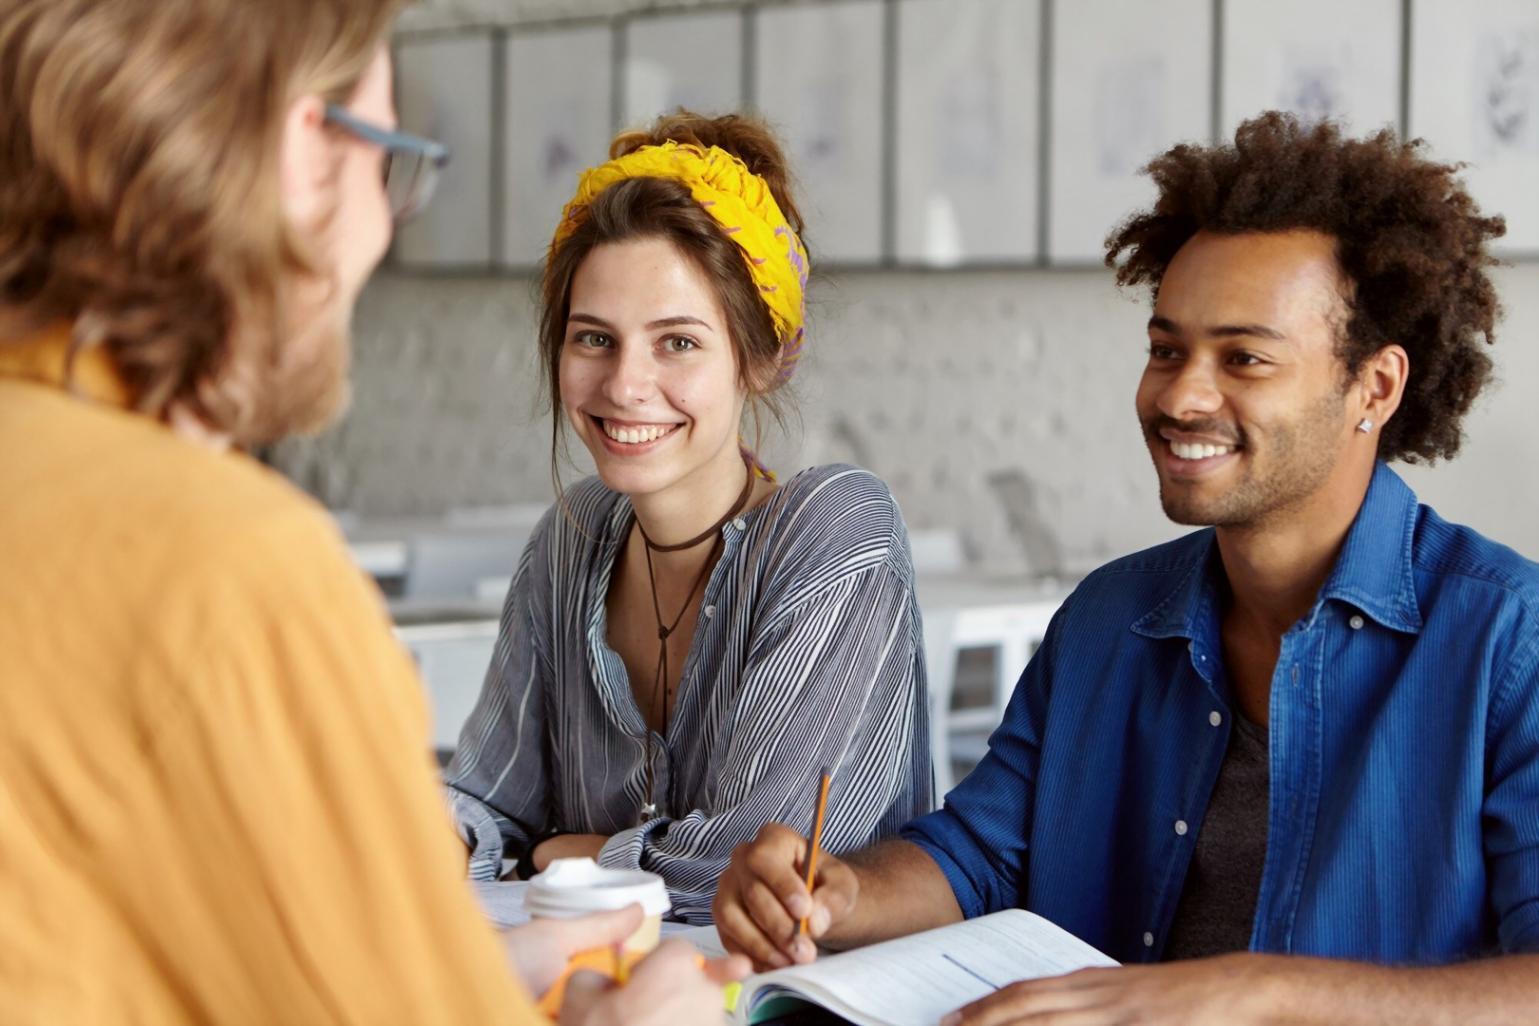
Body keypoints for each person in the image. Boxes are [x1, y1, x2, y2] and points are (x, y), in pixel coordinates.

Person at [0, 1, 741, 1022]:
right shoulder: (232, 570)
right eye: (391, 165)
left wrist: (479, 980)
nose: (388, 224)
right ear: (308, 152)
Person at [713, 112, 1539, 1024]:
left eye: (1244, 359)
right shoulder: (1109, 618)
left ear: (1372, 388)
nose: (1180, 395)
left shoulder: (1509, 643)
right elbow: (980, 855)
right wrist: (841, 894)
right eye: (1165, 349)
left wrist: (1253, 988)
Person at [444, 111, 932, 921]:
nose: (624, 386)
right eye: (593, 339)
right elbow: (489, 802)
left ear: (765, 358)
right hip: (608, 983)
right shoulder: (569, 540)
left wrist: (570, 855)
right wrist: (428, 833)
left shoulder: (835, 530)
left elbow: (747, 869)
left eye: (676, 343)